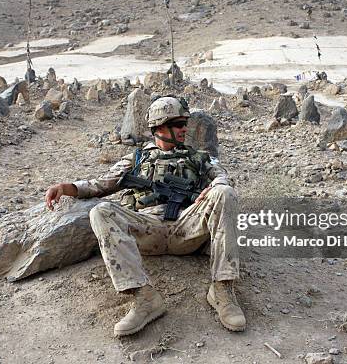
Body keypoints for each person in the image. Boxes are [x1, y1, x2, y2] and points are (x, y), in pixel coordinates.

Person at [45, 96, 245, 336]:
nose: (184, 129)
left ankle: (222, 289)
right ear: (161, 127)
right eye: (179, 123)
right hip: (146, 229)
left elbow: (222, 176)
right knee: (101, 211)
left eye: (185, 123)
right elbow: (100, 184)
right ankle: (144, 297)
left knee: (224, 192)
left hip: (187, 228)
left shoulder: (199, 157)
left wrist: (213, 187)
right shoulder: (136, 159)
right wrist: (66, 188)